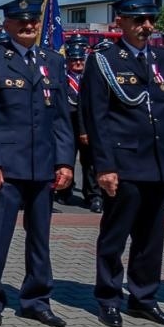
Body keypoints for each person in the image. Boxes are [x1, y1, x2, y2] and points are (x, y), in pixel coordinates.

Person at [82, 0, 164, 327]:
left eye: (150, 20)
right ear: (121, 22)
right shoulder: (105, 60)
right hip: (124, 164)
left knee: (150, 238)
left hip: (158, 164)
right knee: (115, 236)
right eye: (138, 20)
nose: (147, 26)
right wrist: (105, 166)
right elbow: (97, 118)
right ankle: (109, 297)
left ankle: (143, 297)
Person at [0, 0, 76, 327]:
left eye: (32, 21)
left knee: (40, 239)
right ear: (8, 25)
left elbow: (61, 119)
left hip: (42, 166)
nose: (28, 26)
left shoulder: (52, 62)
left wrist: (65, 162)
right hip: (4, 168)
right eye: (21, 22)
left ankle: (36, 299)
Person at [62, 36, 102, 212]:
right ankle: (64, 192)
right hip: (68, 125)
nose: (77, 63)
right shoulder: (62, 78)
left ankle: (93, 196)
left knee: (89, 163)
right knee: (67, 160)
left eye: (80, 59)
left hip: (86, 125)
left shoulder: (90, 78)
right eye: (73, 60)